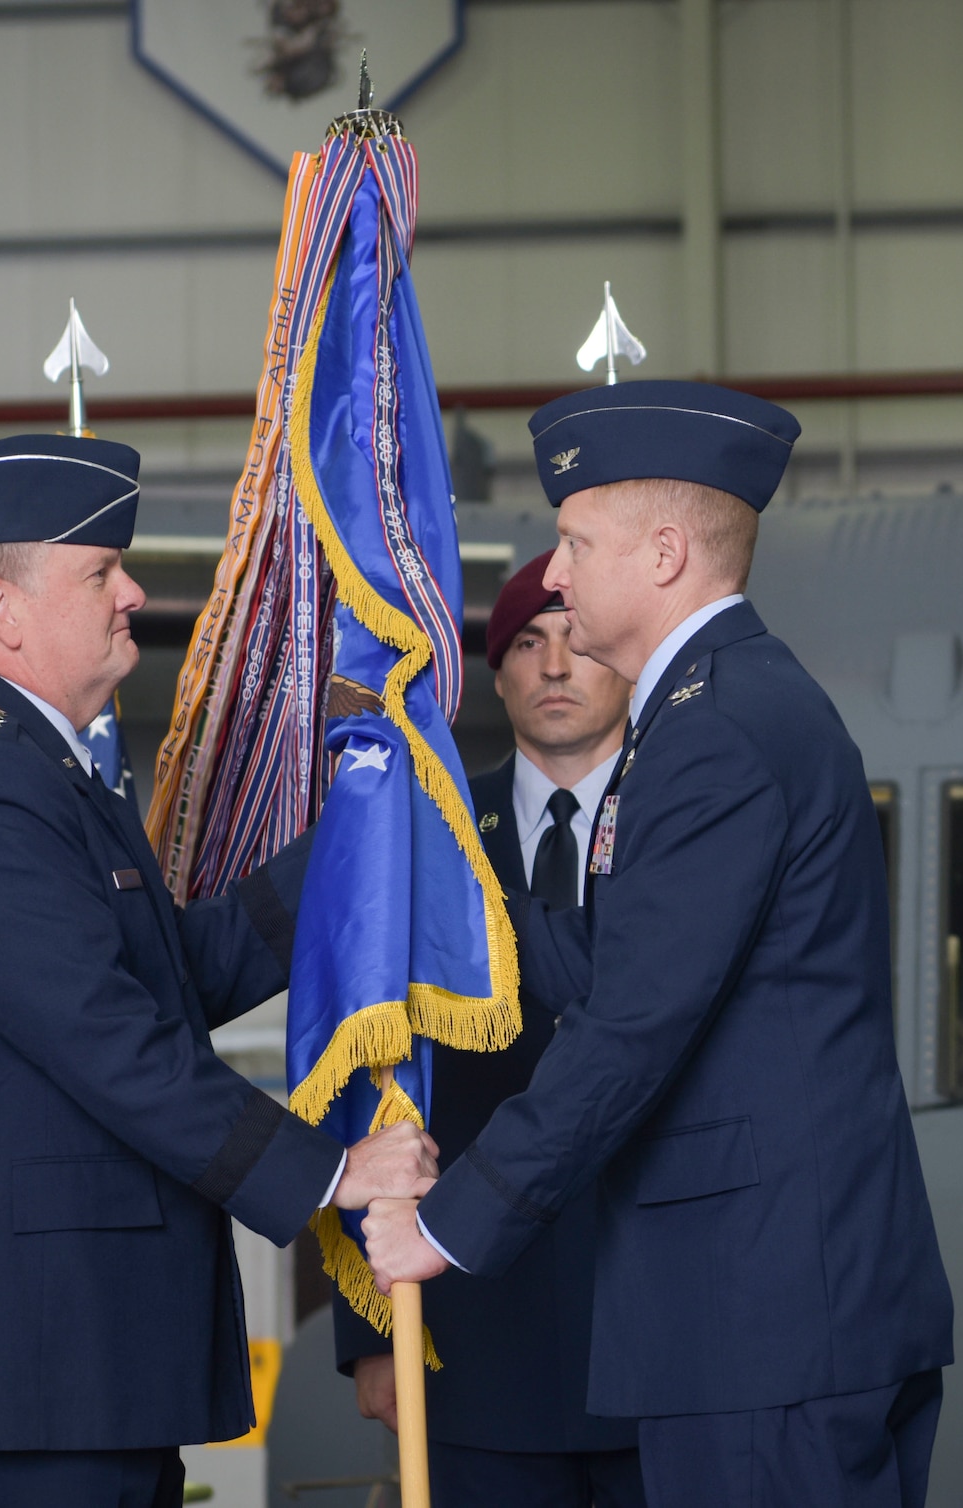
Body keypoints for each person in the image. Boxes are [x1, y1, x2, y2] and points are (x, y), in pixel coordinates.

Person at [361, 384, 955, 1508]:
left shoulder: (711, 729)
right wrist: (426, 893)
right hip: (769, 1312)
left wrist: (449, 1219)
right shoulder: (713, 707)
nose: (558, 569)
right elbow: (620, 962)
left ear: (667, 551)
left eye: (575, 540)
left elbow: (632, 1024)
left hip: (761, 1319)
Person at [0, 434, 438, 1508]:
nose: (131, 590)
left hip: (80, 1368)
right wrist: (329, 1170)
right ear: (4, 608)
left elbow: (171, 974)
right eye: (98, 570)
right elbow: (108, 1041)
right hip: (24, 1380)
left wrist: (354, 844)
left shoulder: (37, 769)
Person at [332, 550, 642, 1508]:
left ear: (626, 662)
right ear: (495, 672)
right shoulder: (429, 836)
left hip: (659, 1331)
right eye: (527, 644)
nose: (554, 667)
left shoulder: (692, 815)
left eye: (578, 642)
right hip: (475, 1335)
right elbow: (365, 1065)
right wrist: (374, 1336)